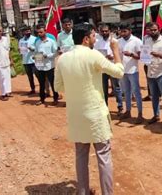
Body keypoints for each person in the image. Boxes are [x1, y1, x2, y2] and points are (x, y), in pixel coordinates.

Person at [54, 23, 124, 195]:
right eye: (93, 36)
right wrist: (116, 51)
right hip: (95, 114)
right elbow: (118, 72)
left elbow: (57, 87)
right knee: (103, 156)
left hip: (76, 115)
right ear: (86, 39)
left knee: (81, 155)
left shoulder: (62, 59)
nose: (96, 38)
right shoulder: (93, 55)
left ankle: (83, 191)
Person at [144, 22, 162, 127]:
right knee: (154, 96)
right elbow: (144, 55)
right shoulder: (147, 41)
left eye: (154, 30)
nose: (152, 32)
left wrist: (159, 55)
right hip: (150, 72)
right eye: (150, 30)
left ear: (159, 29)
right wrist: (144, 58)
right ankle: (156, 115)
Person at [94, 23, 123, 114]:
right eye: (102, 31)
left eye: (106, 31)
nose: (104, 32)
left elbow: (120, 54)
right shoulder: (97, 42)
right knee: (104, 88)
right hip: (103, 68)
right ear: (99, 32)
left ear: (109, 31)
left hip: (113, 67)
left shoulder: (115, 41)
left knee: (116, 87)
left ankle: (120, 106)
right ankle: (105, 107)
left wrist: (113, 57)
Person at [118, 22, 143, 124]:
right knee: (126, 92)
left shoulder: (137, 41)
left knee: (136, 92)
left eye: (125, 31)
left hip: (133, 70)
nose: (123, 33)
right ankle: (128, 111)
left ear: (130, 31)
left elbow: (142, 57)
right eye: (121, 31)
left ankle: (140, 113)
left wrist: (131, 54)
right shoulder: (118, 41)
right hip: (122, 70)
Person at [34, 24, 59, 106]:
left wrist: (47, 56)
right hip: (40, 66)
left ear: (45, 31)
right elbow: (36, 52)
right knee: (41, 84)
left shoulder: (51, 42)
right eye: (38, 33)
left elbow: (56, 53)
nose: (39, 34)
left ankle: (55, 98)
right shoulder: (37, 42)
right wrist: (36, 58)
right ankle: (42, 99)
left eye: (41, 32)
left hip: (49, 66)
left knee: (52, 83)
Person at [18, 26, 37, 94]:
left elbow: (37, 48)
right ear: (23, 32)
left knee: (38, 75)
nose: (28, 32)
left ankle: (42, 89)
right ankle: (33, 89)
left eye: (29, 31)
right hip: (26, 61)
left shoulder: (35, 39)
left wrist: (31, 48)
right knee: (30, 76)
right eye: (26, 31)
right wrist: (20, 50)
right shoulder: (21, 40)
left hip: (34, 60)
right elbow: (20, 51)